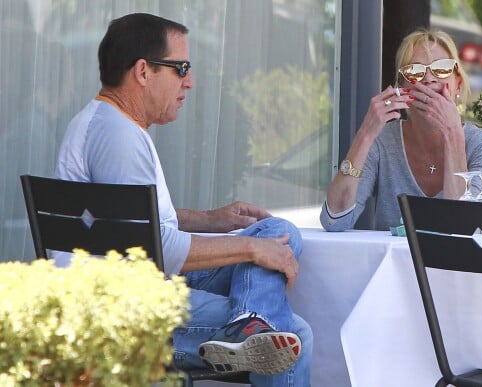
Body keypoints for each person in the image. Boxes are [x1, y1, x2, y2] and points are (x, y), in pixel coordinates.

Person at [54, 13, 312, 386]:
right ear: (144, 72)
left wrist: (211, 220)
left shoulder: (108, 124)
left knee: (278, 230)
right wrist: (252, 250)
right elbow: (158, 248)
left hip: (141, 285)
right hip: (125, 312)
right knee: (292, 335)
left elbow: (129, 224)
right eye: (181, 68)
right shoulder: (118, 137)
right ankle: (254, 327)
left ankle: (248, 323)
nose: (189, 82)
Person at [320, 28, 482, 232]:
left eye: (442, 69)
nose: (428, 79)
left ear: (458, 84)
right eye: (414, 71)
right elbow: (334, 221)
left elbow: (464, 225)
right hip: (393, 264)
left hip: (455, 263)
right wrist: (365, 133)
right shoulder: (382, 141)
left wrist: (452, 132)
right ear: (401, 87)